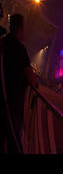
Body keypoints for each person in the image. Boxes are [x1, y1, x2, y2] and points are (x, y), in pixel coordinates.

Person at [0, 14, 37, 153]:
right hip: (12, 105)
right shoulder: (20, 49)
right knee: (13, 143)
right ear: (20, 28)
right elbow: (32, 79)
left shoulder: (2, 43)